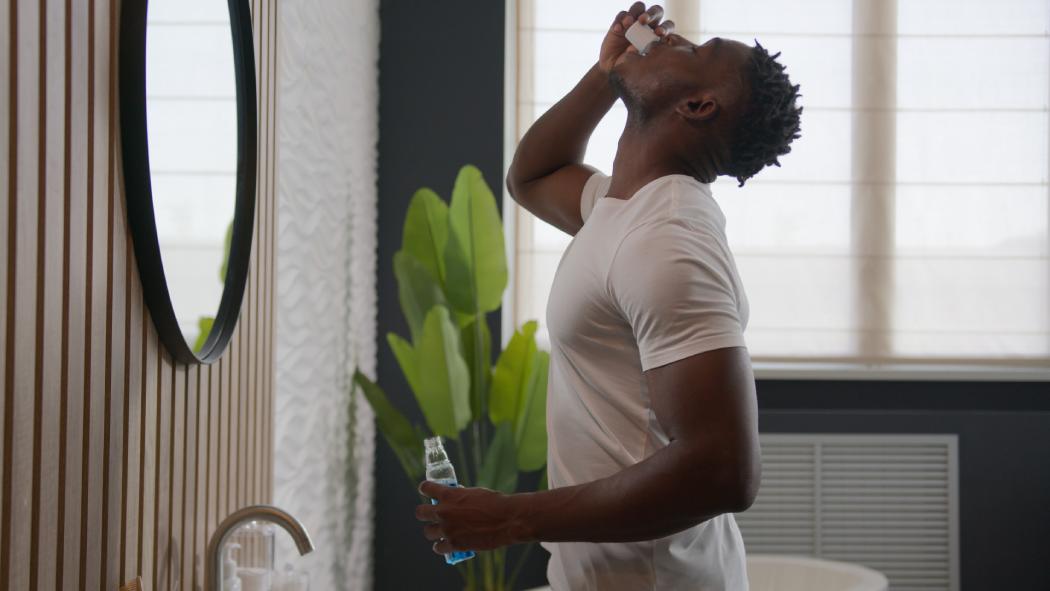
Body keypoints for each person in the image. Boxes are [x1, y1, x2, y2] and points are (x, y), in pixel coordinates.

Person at [415, 2, 802, 589]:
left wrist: (511, 517)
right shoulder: (622, 208)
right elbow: (533, 177)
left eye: (695, 53)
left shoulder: (667, 239)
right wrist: (605, 73)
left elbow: (724, 472)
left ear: (697, 106)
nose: (673, 40)